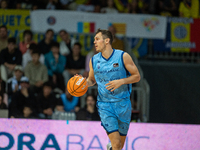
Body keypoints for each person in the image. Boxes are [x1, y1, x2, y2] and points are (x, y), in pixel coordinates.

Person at [86, 29, 140, 150]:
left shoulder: (123, 56)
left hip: (123, 105)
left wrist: (121, 81)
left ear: (107, 41)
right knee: (116, 144)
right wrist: (83, 83)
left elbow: (137, 76)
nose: (94, 42)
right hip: (105, 105)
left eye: (97, 39)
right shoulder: (94, 60)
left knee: (119, 146)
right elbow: (91, 80)